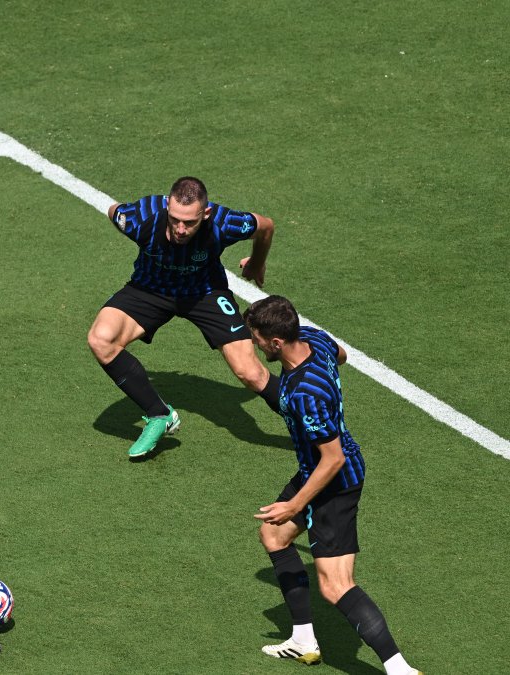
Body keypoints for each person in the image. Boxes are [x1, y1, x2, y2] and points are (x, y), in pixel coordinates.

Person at [244, 295, 420, 674]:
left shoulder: (306, 394)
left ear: (276, 342)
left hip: (333, 481)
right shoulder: (314, 338)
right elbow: (341, 355)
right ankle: (304, 639)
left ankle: (400, 668)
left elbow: (333, 458)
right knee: (273, 536)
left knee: (336, 585)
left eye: (257, 338)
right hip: (315, 471)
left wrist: (295, 506)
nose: (254, 344)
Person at [87, 176, 278, 458]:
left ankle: (307, 418)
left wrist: (257, 261)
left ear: (206, 213)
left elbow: (266, 226)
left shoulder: (223, 223)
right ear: (167, 206)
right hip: (150, 289)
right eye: (175, 219)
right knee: (100, 340)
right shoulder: (140, 218)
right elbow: (114, 210)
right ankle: (159, 415)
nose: (180, 229)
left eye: (189, 222)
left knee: (249, 372)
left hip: (204, 292)